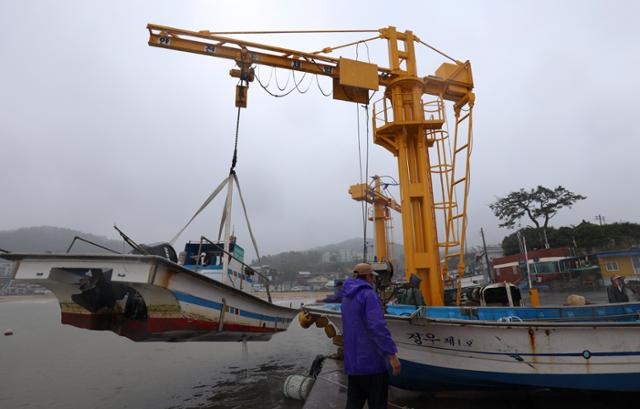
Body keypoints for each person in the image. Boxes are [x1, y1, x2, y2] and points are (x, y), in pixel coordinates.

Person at [341, 263, 401, 409]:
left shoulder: (346, 298)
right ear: (368, 277)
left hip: (353, 365)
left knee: (353, 404)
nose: (373, 280)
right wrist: (392, 355)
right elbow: (377, 327)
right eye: (372, 277)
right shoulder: (369, 295)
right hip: (372, 364)